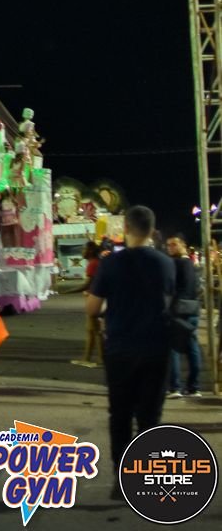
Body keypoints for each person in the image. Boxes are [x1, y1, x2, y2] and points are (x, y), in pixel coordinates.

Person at [87, 205, 174, 500]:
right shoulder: (166, 263)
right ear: (152, 230)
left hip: (120, 349)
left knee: (120, 415)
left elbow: (92, 308)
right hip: (157, 348)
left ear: (125, 228)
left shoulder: (110, 263)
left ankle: (121, 478)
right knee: (150, 417)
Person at [165, 235, 201, 399]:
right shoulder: (193, 265)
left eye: (174, 244)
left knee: (173, 348)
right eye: (168, 245)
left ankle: (175, 387)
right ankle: (194, 387)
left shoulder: (176, 264)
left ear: (183, 245)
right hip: (193, 309)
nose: (170, 248)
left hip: (178, 310)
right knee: (192, 347)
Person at [71, 240, 104, 368]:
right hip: (97, 298)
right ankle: (90, 358)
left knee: (94, 330)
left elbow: (87, 284)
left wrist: (67, 291)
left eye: (84, 249)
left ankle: (98, 359)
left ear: (90, 251)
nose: (82, 252)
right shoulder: (96, 262)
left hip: (94, 299)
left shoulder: (93, 264)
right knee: (93, 330)